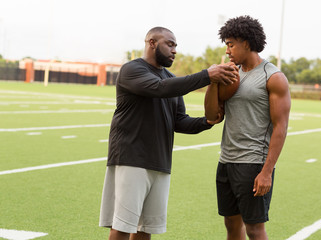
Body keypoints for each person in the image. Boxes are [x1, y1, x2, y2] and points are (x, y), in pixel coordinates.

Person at [99, 26, 238, 240]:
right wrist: (206, 75)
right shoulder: (132, 70)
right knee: (123, 226)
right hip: (131, 159)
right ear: (152, 43)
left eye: (176, 46)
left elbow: (179, 121)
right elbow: (159, 88)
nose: (174, 51)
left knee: (146, 228)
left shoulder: (170, 79)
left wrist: (207, 121)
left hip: (160, 162)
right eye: (170, 44)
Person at [205, 16, 291, 240]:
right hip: (226, 161)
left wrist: (266, 172)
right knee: (232, 227)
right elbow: (213, 115)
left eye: (231, 44)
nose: (227, 51)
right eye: (226, 45)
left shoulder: (273, 77)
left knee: (254, 229)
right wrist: (213, 82)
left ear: (246, 42)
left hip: (253, 163)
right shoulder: (230, 74)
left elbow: (280, 127)